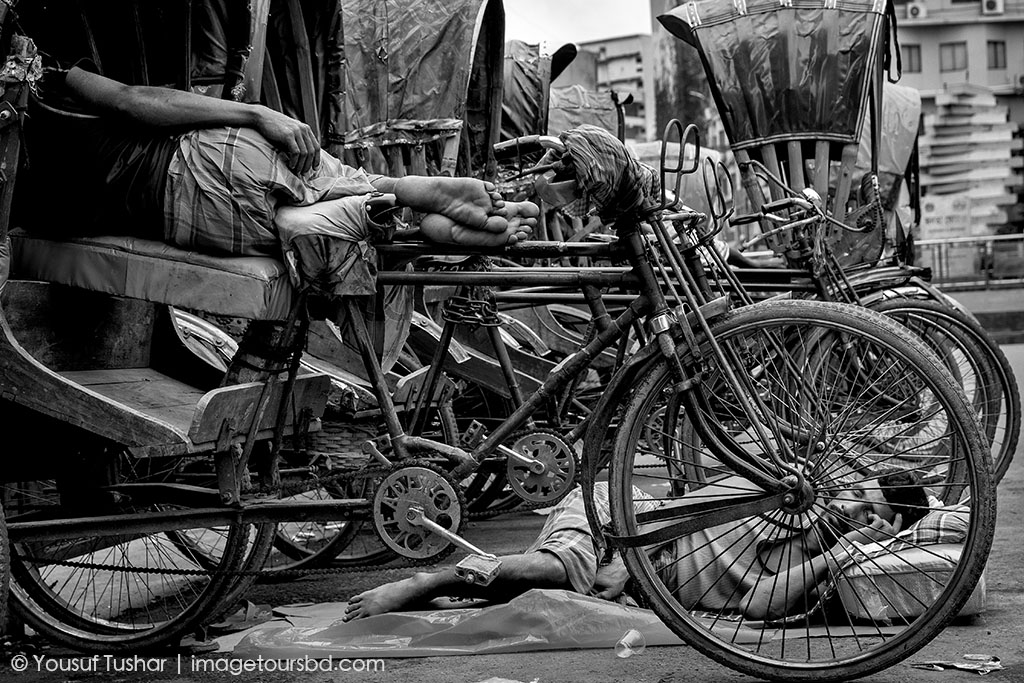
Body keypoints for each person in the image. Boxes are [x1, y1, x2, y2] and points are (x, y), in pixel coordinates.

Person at [19, 63, 538, 296]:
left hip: (196, 217)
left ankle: (390, 210)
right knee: (334, 183)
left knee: (300, 217)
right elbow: (134, 100)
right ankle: (396, 203)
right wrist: (253, 113)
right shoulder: (47, 84)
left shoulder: (24, 177)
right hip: (218, 159)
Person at [343, 471, 930, 623]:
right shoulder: (782, 485)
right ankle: (433, 579)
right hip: (624, 521)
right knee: (561, 567)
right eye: (860, 495)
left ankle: (457, 589)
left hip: (641, 579)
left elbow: (756, 605)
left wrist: (843, 551)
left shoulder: (827, 567)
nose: (853, 510)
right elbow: (683, 509)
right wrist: (627, 558)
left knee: (553, 585)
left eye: (870, 516)